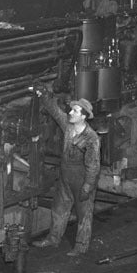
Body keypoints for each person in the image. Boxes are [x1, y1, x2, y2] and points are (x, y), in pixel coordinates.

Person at [31, 88, 101, 256]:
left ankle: (81, 246)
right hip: (65, 176)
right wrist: (44, 95)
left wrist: (87, 186)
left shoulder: (91, 139)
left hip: (81, 178)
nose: (70, 112)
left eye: (75, 111)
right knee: (59, 208)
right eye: (72, 109)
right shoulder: (69, 127)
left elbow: (93, 166)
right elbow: (56, 112)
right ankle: (53, 239)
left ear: (83, 116)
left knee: (84, 213)